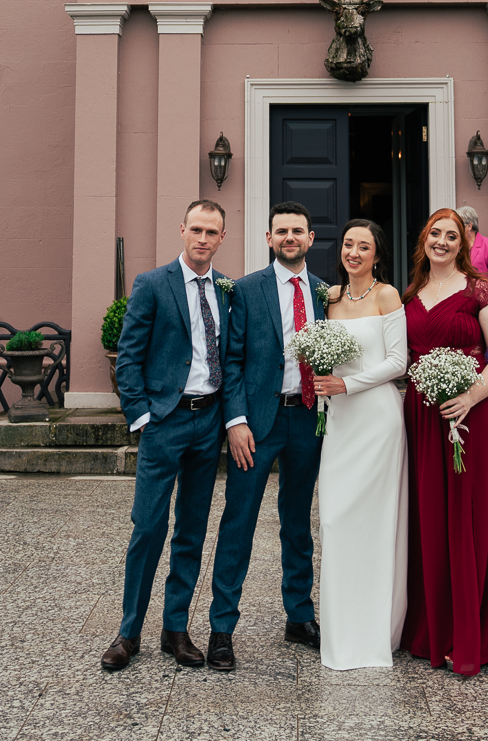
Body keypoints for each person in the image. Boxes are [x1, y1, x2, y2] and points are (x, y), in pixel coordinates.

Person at [103, 200, 236, 672]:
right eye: (196, 229)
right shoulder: (152, 284)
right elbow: (128, 356)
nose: (203, 238)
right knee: (148, 528)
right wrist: (141, 417)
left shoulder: (227, 291)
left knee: (191, 530)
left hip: (208, 423)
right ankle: (128, 631)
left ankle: (174, 629)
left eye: (212, 232)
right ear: (182, 231)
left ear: (223, 238)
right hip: (164, 421)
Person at [403, 208, 488, 675]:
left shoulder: (481, 290)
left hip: (474, 420)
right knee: (432, 520)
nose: (441, 242)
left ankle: (476, 632)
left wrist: (470, 395)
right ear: (425, 240)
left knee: (472, 519)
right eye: (434, 234)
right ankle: (432, 626)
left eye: (450, 236)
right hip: (422, 420)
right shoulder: (411, 292)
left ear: (464, 243)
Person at [208, 202, 327, 671]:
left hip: (306, 420)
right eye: (282, 231)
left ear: (311, 238)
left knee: (298, 524)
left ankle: (299, 616)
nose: (290, 237)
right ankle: (222, 629)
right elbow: (230, 361)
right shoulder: (246, 290)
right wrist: (235, 421)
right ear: (268, 237)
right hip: (257, 425)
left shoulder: (326, 294)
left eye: (298, 230)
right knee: (238, 523)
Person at [309, 218, 408, 670]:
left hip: (376, 419)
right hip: (340, 423)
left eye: (363, 246)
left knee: (375, 521)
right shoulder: (328, 297)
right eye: (348, 244)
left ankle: (374, 629)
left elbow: (398, 362)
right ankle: (340, 622)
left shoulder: (388, 295)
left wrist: (348, 384)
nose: (353, 252)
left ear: (376, 254)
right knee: (334, 517)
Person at [459, 204, 488, 295]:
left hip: (482, 297)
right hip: (460, 298)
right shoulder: (457, 246)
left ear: (469, 226)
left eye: (458, 225)